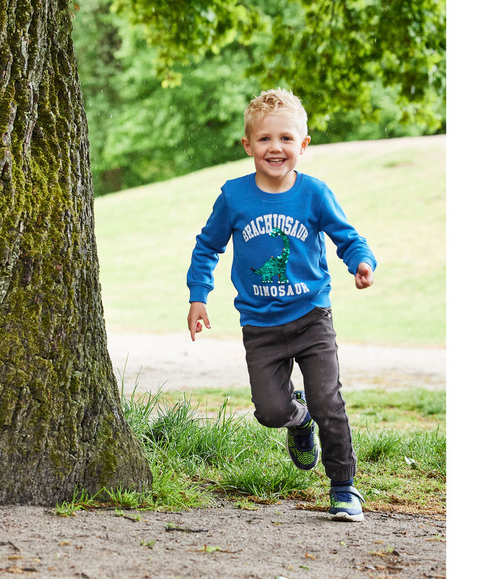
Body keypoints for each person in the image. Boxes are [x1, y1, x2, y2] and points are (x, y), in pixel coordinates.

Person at [186, 88, 376, 521]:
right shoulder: (234, 197)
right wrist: (199, 295)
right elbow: (207, 247)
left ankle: (344, 486)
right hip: (260, 325)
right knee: (270, 411)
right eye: (266, 139)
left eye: (287, 139)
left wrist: (361, 262)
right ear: (248, 145)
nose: (276, 148)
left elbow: (348, 237)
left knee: (330, 400)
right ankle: (298, 418)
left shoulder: (314, 194)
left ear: (303, 145)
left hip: (312, 317)